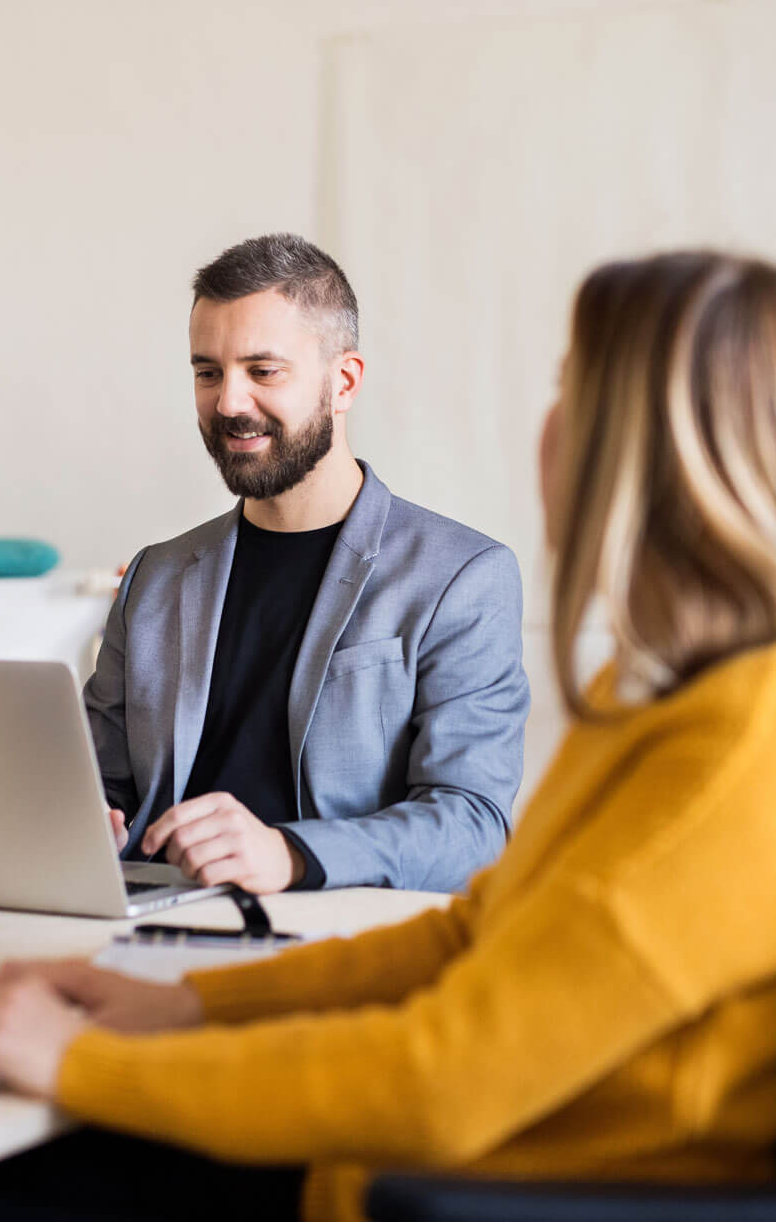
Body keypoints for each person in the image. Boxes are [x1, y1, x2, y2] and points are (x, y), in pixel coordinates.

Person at [0, 251, 776, 1222]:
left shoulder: (749, 749)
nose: (549, 424)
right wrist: (185, 1009)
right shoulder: (690, 700)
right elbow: (475, 936)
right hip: (434, 1158)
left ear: (662, 444)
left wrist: (84, 1065)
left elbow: (445, 1077)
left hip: (456, 1194)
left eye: (576, 388)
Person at [87, 233, 529, 894]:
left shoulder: (463, 578)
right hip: (151, 924)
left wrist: (288, 852)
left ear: (343, 380)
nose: (229, 402)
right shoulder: (154, 575)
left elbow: (472, 826)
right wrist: (83, 816)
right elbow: (97, 780)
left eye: (263, 371)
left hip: (333, 946)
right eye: (208, 372)